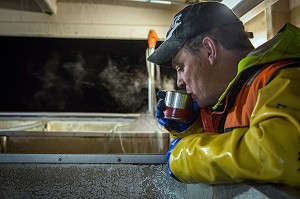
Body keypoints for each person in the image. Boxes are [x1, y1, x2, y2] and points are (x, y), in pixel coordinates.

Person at [147, 2, 300, 188]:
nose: (179, 81)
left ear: (209, 50)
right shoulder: (231, 96)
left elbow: (282, 154)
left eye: (181, 67)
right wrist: (192, 128)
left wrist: (185, 156)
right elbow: (237, 154)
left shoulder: (285, 79)